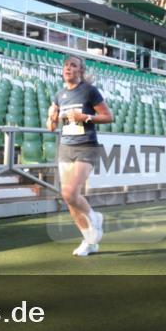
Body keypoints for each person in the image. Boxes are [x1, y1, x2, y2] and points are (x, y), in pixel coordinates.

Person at [47, 56, 114, 257]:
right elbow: (51, 128)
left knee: (69, 192)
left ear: (80, 71)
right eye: (66, 65)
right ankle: (89, 240)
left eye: (73, 65)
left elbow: (109, 117)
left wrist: (85, 117)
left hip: (86, 146)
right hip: (65, 148)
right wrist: (51, 118)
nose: (68, 67)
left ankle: (94, 218)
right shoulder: (59, 95)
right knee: (70, 199)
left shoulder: (89, 91)